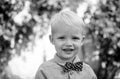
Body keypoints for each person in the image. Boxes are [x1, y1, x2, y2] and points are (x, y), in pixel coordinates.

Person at [35, 10, 97, 79]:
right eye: (62, 38)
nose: (68, 43)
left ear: (82, 40)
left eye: (75, 38)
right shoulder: (44, 71)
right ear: (52, 39)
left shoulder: (88, 72)